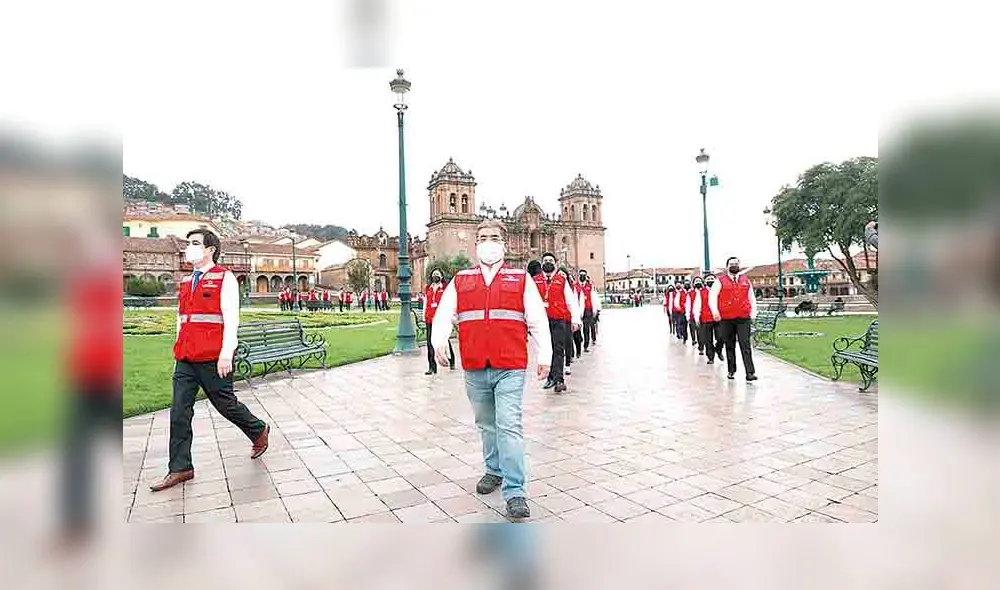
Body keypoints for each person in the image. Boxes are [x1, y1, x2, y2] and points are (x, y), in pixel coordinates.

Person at [430, 219, 551, 520]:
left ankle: (515, 491)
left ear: (504, 243)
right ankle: (493, 470)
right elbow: (445, 313)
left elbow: (537, 319)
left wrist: (545, 354)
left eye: (494, 237)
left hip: (509, 365)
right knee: (486, 424)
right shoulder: (461, 279)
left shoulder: (520, 279)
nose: (488, 242)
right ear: (476, 244)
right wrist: (438, 339)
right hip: (475, 365)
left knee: (509, 425)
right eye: (483, 237)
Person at [150, 230, 269, 492]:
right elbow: (181, 318)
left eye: (195, 244)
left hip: (214, 357)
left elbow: (231, 318)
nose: (188, 248)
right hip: (186, 357)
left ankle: (258, 430)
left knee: (225, 404)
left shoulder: (224, 278)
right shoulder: (185, 281)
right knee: (179, 411)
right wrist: (178, 345)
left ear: (210, 250)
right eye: (188, 243)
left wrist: (227, 353)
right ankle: (181, 468)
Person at [536, 253, 581, 393]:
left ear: (555, 263)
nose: (548, 263)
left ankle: (559, 379)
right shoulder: (535, 280)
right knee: (546, 350)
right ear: (541, 263)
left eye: (550, 260)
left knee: (558, 349)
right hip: (542, 321)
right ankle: (550, 378)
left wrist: (575, 319)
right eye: (545, 261)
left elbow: (571, 301)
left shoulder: (562, 280)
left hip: (558, 320)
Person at [709, 256, 758, 381]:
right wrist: (715, 311)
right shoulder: (720, 281)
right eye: (731, 264)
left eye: (736, 263)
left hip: (743, 317)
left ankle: (750, 372)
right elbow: (712, 297)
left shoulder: (745, 280)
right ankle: (731, 370)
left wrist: (753, 313)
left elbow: (751, 297)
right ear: (727, 267)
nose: (734, 265)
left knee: (745, 344)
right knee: (729, 345)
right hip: (727, 317)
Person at [424, 270, 454, 374]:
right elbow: (426, 302)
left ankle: (451, 360)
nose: (435, 277)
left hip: (441, 319)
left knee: (444, 340)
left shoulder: (445, 288)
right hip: (430, 318)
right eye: (433, 276)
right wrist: (425, 316)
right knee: (429, 343)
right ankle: (432, 366)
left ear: (441, 277)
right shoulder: (428, 288)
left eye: (437, 275)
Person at [578, 269, 601, 351]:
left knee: (587, 328)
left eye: (584, 275)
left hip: (588, 310)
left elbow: (594, 298)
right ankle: (578, 342)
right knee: (578, 329)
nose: (582, 276)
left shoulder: (589, 286)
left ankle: (586, 345)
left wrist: (596, 309)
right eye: (581, 275)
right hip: (578, 310)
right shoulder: (576, 286)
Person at [683, 280, 699, 349]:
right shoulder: (690, 294)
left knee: (699, 331)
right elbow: (688, 305)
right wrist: (688, 316)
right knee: (692, 329)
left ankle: (700, 344)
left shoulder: (703, 292)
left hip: (702, 316)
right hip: (692, 315)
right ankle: (693, 339)